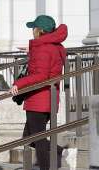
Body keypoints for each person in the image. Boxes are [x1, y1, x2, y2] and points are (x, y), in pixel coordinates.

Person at [11, 14, 67, 170]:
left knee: (38, 140)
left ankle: (49, 163)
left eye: (34, 28)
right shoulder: (56, 46)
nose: (32, 31)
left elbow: (41, 75)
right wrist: (31, 50)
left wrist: (18, 83)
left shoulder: (43, 49)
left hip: (38, 100)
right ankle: (61, 151)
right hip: (49, 99)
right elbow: (48, 64)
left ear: (40, 30)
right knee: (29, 138)